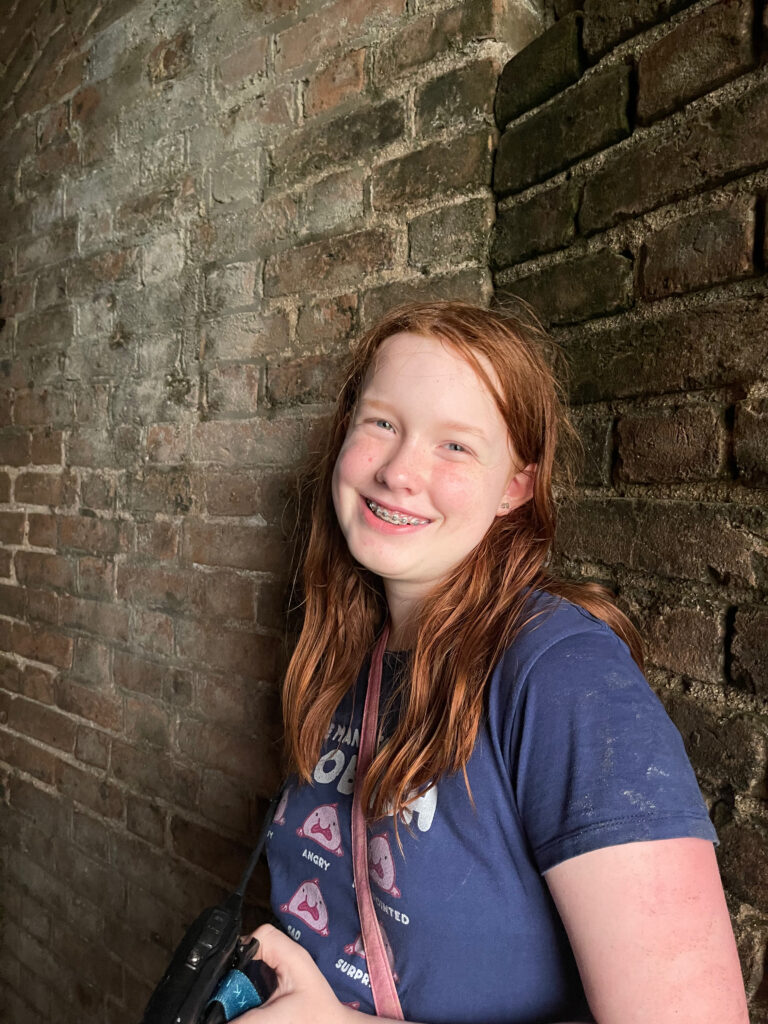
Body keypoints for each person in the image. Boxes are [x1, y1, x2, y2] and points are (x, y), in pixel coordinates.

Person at [247, 301, 749, 1023]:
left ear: (516, 484)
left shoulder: (562, 675)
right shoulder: (354, 652)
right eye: (382, 423)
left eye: (455, 446)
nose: (398, 472)